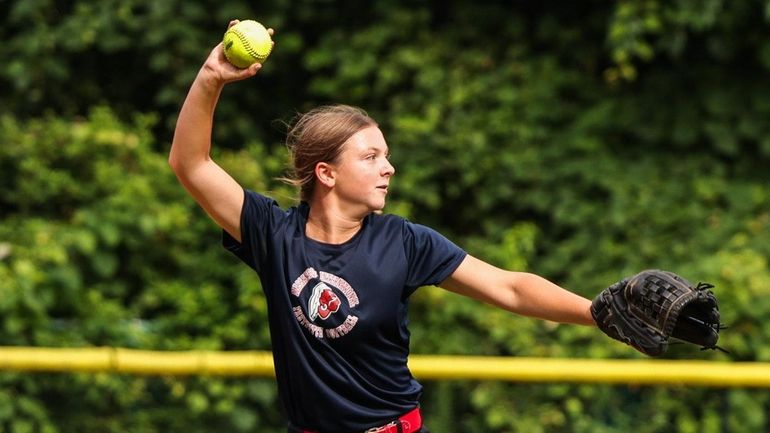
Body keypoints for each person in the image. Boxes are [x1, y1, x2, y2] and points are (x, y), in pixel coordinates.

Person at [169, 20, 596, 433]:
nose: (388, 168)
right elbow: (191, 164)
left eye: (386, 155)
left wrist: (595, 314)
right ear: (327, 173)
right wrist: (211, 77)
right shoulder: (274, 235)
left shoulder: (404, 241)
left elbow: (510, 288)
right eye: (370, 157)